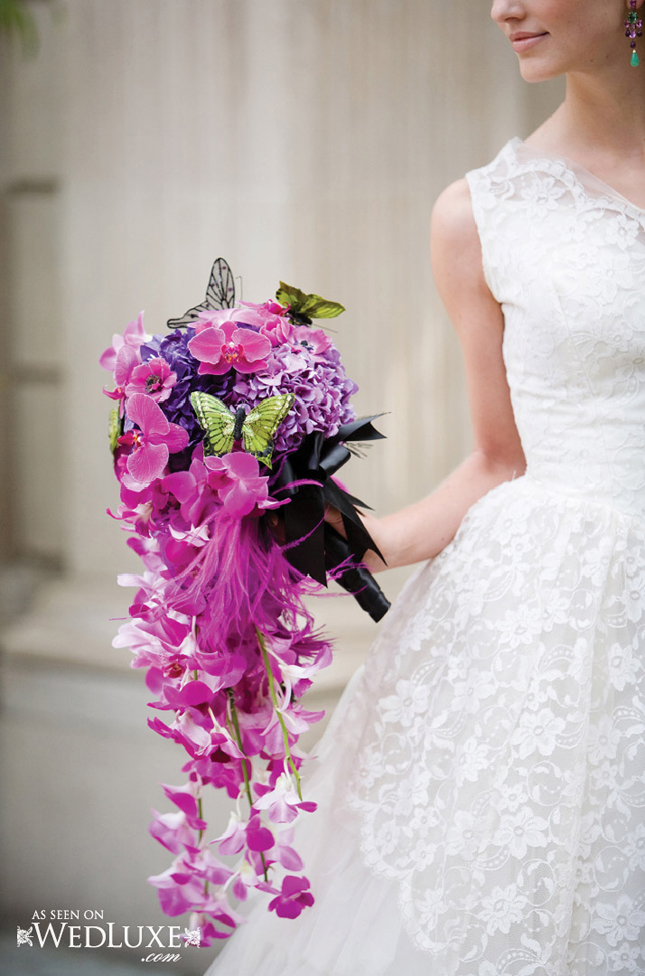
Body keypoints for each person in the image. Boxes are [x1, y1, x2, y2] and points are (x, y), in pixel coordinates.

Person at [206, 1, 645, 972]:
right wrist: (351, 535)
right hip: (561, 625)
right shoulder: (480, 214)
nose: (504, 7)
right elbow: (501, 458)